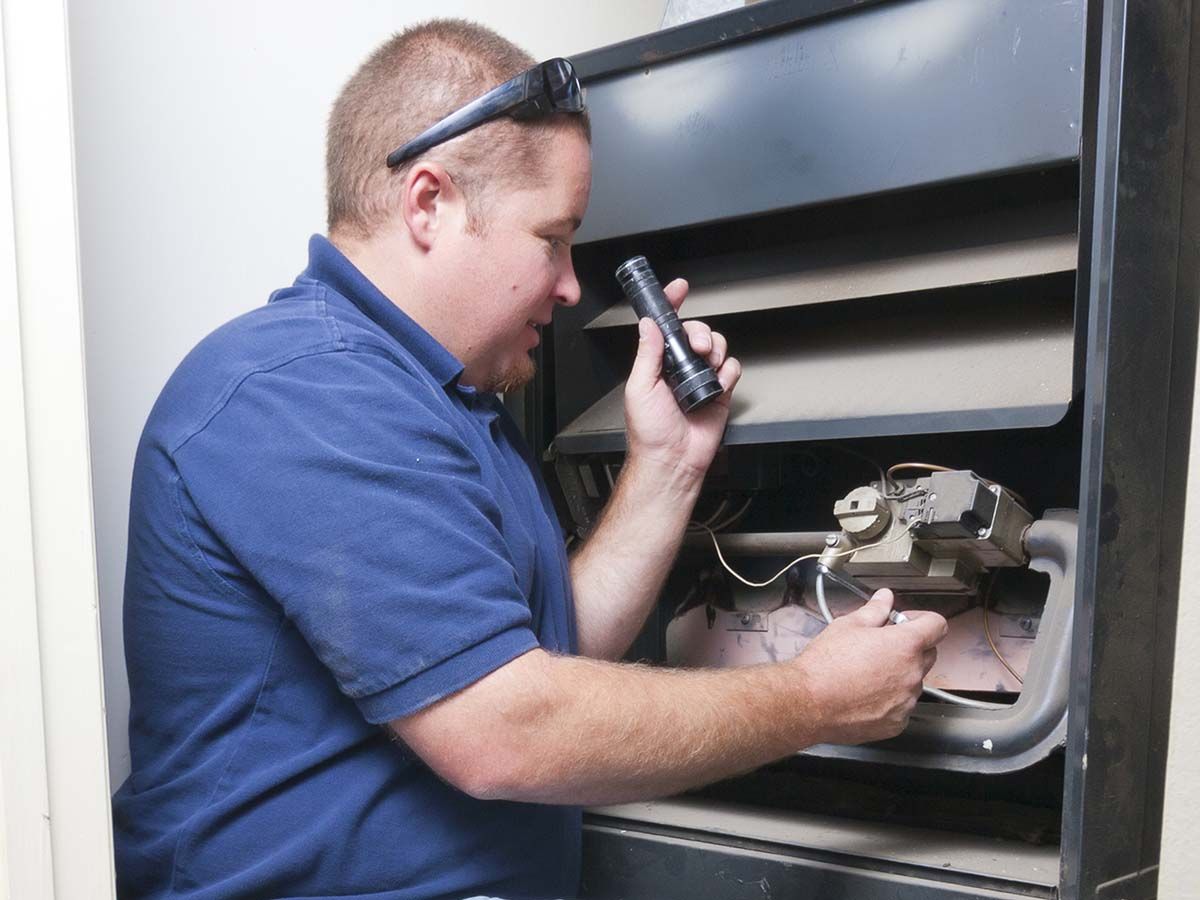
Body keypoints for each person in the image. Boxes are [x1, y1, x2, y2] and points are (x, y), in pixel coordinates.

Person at [113, 18, 947, 900]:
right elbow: (509, 729)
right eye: (552, 237)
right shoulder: (304, 392)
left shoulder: (451, 400)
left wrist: (665, 465)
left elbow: (545, 650)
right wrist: (813, 701)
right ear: (428, 204)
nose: (571, 283)